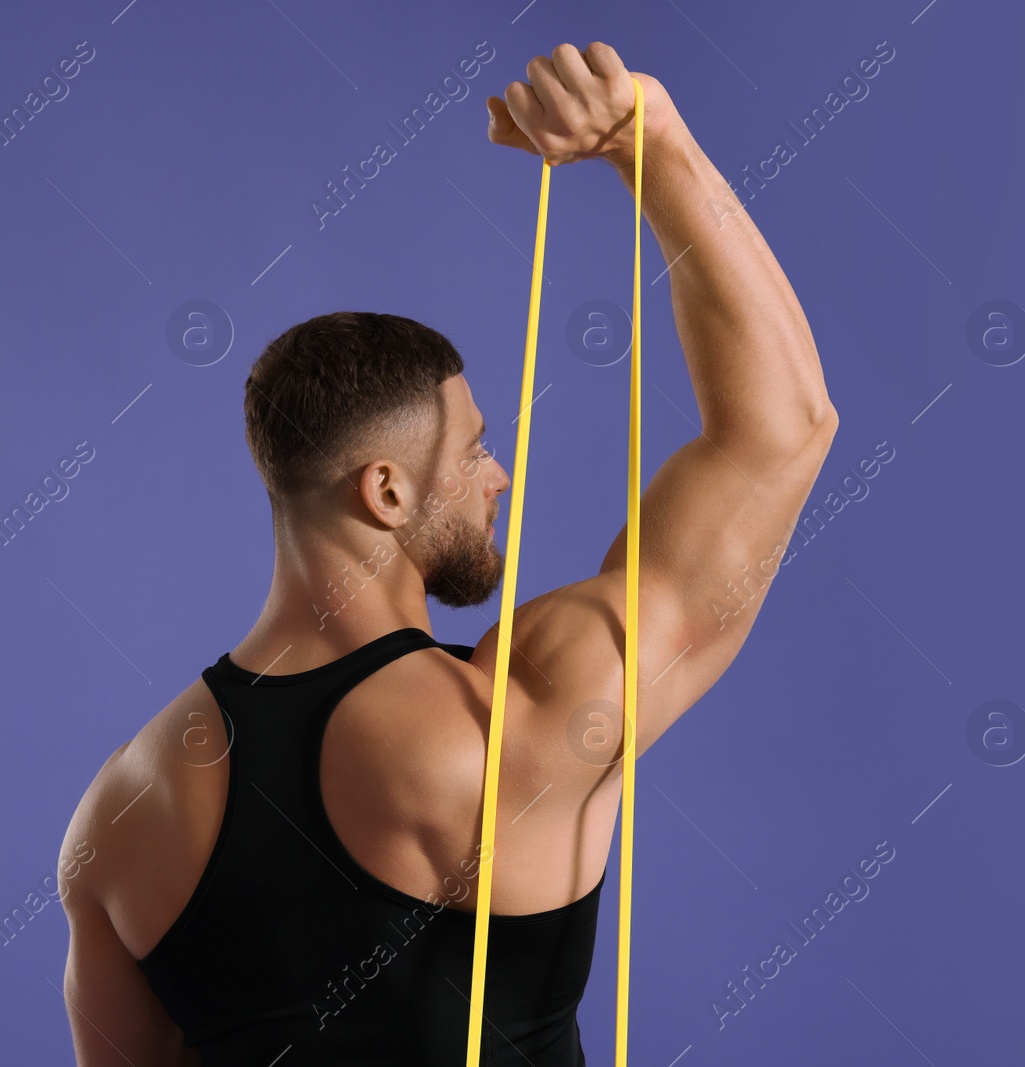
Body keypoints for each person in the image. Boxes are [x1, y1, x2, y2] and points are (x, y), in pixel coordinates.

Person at [55, 41, 837, 1065]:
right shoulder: (519, 712)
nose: (497, 474)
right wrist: (654, 144)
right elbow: (782, 431)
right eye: (472, 448)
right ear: (385, 490)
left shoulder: (121, 807)